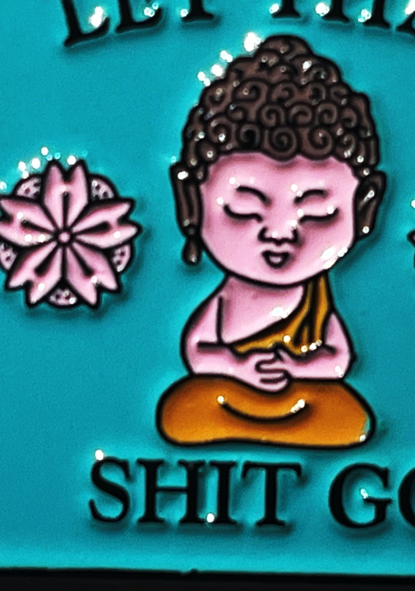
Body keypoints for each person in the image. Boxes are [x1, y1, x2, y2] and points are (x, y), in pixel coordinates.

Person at [157, 35, 386, 447]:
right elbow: (198, 350)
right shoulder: (227, 300)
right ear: (190, 201)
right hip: (228, 394)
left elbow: (338, 358)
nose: (280, 232)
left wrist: (298, 369)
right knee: (184, 406)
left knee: (344, 414)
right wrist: (237, 367)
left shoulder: (315, 302)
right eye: (244, 207)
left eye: (317, 211)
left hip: (300, 399)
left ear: (365, 208)